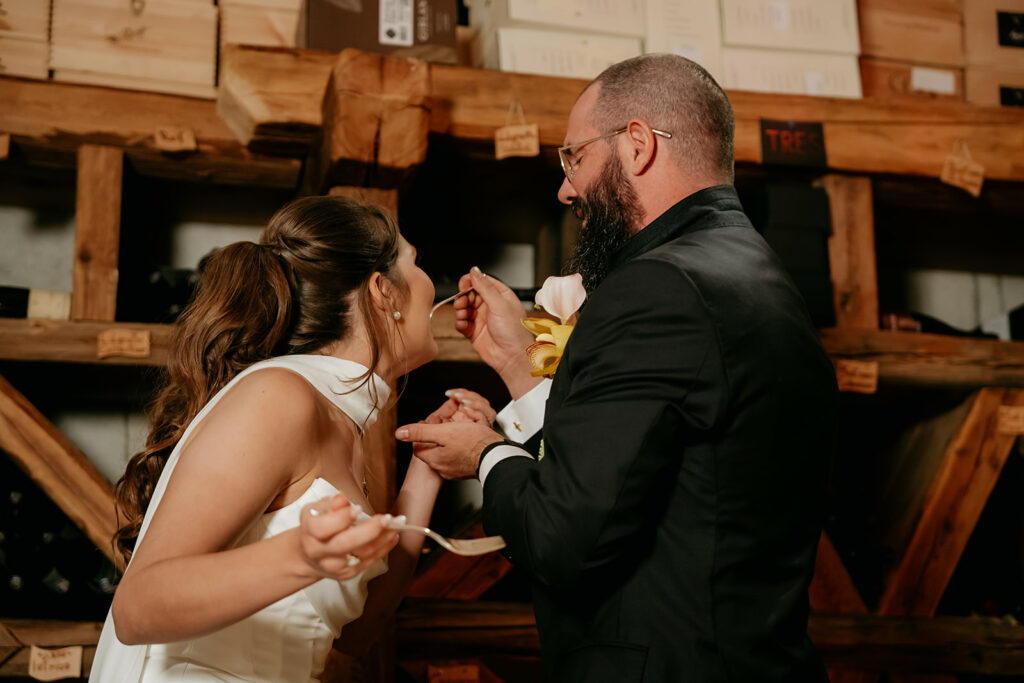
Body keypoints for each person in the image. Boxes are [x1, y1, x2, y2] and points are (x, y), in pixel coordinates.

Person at [396, 54, 839, 682]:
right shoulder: (758, 276)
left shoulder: (655, 286)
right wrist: (523, 372)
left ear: (635, 146)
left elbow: (563, 535)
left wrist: (484, 454)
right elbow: (644, 468)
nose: (565, 189)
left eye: (573, 159)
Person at [89, 196, 492, 682]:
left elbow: (353, 636)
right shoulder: (281, 394)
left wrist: (425, 472)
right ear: (382, 290)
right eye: (417, 263)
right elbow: (138, 608)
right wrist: (299, 556)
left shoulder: (339, 418)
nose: (432, 283)